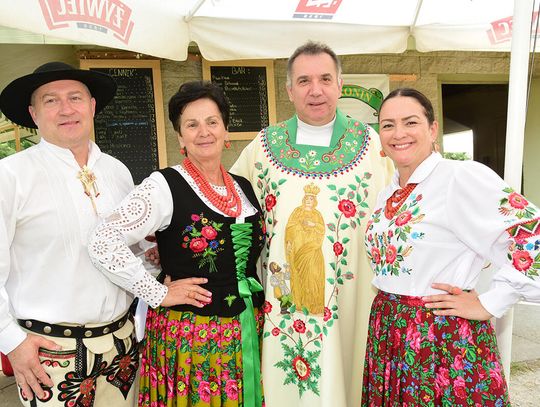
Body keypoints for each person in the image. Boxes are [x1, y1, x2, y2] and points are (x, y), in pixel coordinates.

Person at [231, 41, 393, 406]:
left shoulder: (372, 145)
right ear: (289, 90)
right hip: (284, 289)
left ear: (339, 84)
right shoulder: (263, 147)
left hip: (351, 298)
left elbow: (403, 208)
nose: (315, 90)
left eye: (325, 79)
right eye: (304, 81)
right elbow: (226, 205)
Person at [88, 81, 266, 407]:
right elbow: (103, 240)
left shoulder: (242, 186)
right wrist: (158, 292)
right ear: (180, 137)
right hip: (191, 339)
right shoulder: (163, 185)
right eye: (191, 124)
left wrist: (156, 255)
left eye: (212, 122)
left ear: (226, 129)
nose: (204, 132)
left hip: (248, 332)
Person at [362, 87, 540, 406]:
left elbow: (533, 233)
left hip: (442, 338)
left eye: (410, 122)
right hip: (389, 332)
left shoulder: (459, 177)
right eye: (388, 125)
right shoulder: (388, 192)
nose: (398, 133)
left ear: (432, 130)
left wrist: (491, 302)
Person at [0, 62, 137, 406]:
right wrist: (12, 342)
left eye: (75, 97)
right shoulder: (11, 176)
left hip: (122, 347)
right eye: (51, 100)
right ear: (33, 113)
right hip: (50, 353)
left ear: (92, 106)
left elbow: (131, 255)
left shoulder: (118, 172)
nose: (66, 109)